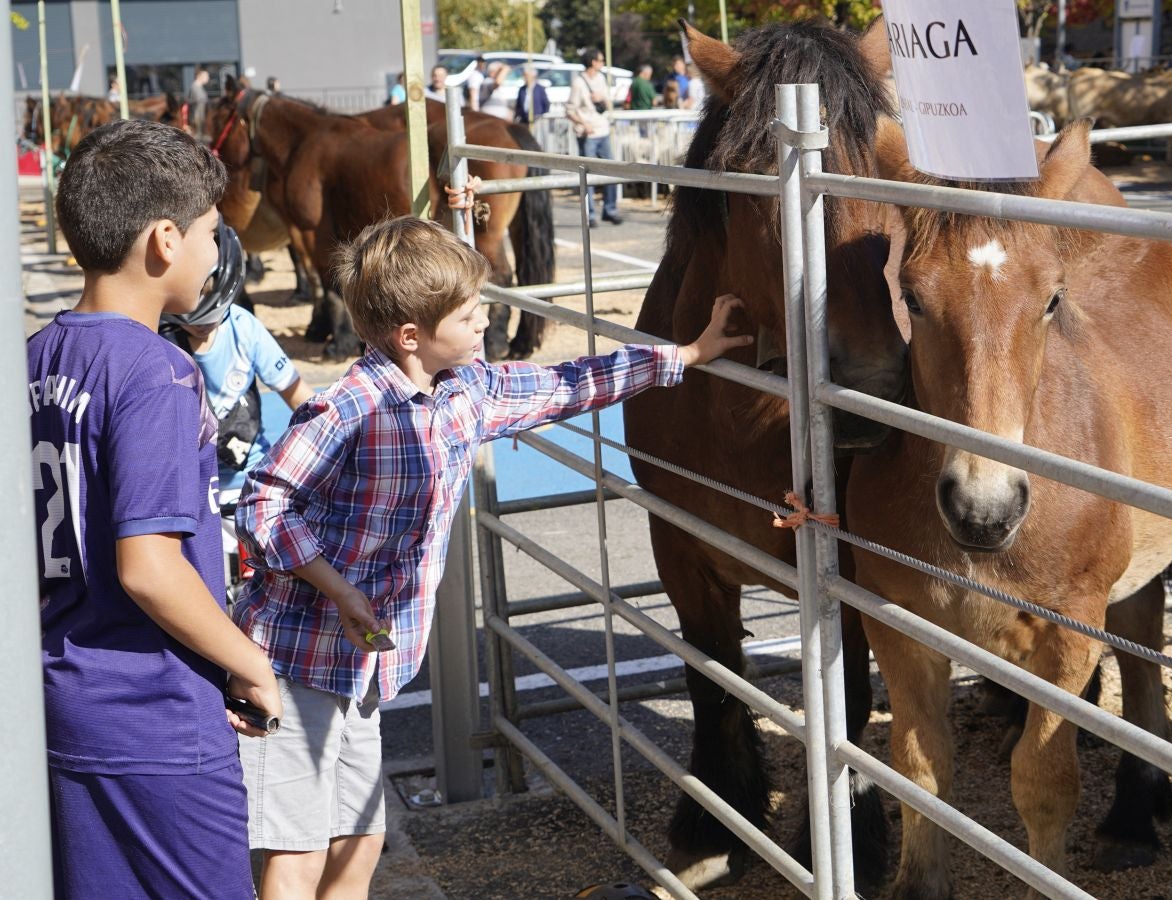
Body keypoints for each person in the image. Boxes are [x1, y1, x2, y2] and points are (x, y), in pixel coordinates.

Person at [232, 214, 751, 898]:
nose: (484, 322)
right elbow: (262, 505)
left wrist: (683, 356)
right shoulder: (346, 410)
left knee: (360, 841)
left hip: (361, 668)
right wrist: (335, 587)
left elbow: (571, 382)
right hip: (295, 662)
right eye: (469, 313)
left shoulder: (466, 394)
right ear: (412, 336)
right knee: (296, 855)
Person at [31, 118, 281, 900]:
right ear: (166, 241)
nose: (217, 250)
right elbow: (149, 568)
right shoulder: (157, 371)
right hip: (157, 717)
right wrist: (250, 664)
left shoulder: (34, 359)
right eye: (212, 231)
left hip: (64, 707)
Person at [158, 220, 314, 517]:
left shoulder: (243, 327)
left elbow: (301, 399)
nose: (203, 328)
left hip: (252, 480)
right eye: (194, 321)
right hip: (193, 489)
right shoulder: (161, 342)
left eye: (212, 320)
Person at [566, 48, 621, 226]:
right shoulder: (578, 83)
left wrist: (602, 99)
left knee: (612, 171)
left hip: (602, 130)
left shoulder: (601, 79)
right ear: (593, 62)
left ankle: (610, 209)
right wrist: (583, 124)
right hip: (587, 133)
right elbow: (569, 110)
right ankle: (590, 215)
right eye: (601, 60)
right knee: (587, 176)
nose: (603, 63)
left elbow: (608, 103)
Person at [189, 66, 210, 135]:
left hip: (201, 120)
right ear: (199, 76)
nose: (208, 78)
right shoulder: (195, 87)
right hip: (198, 122)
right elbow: (196, 106)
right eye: (206, 76)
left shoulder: (199, 87)